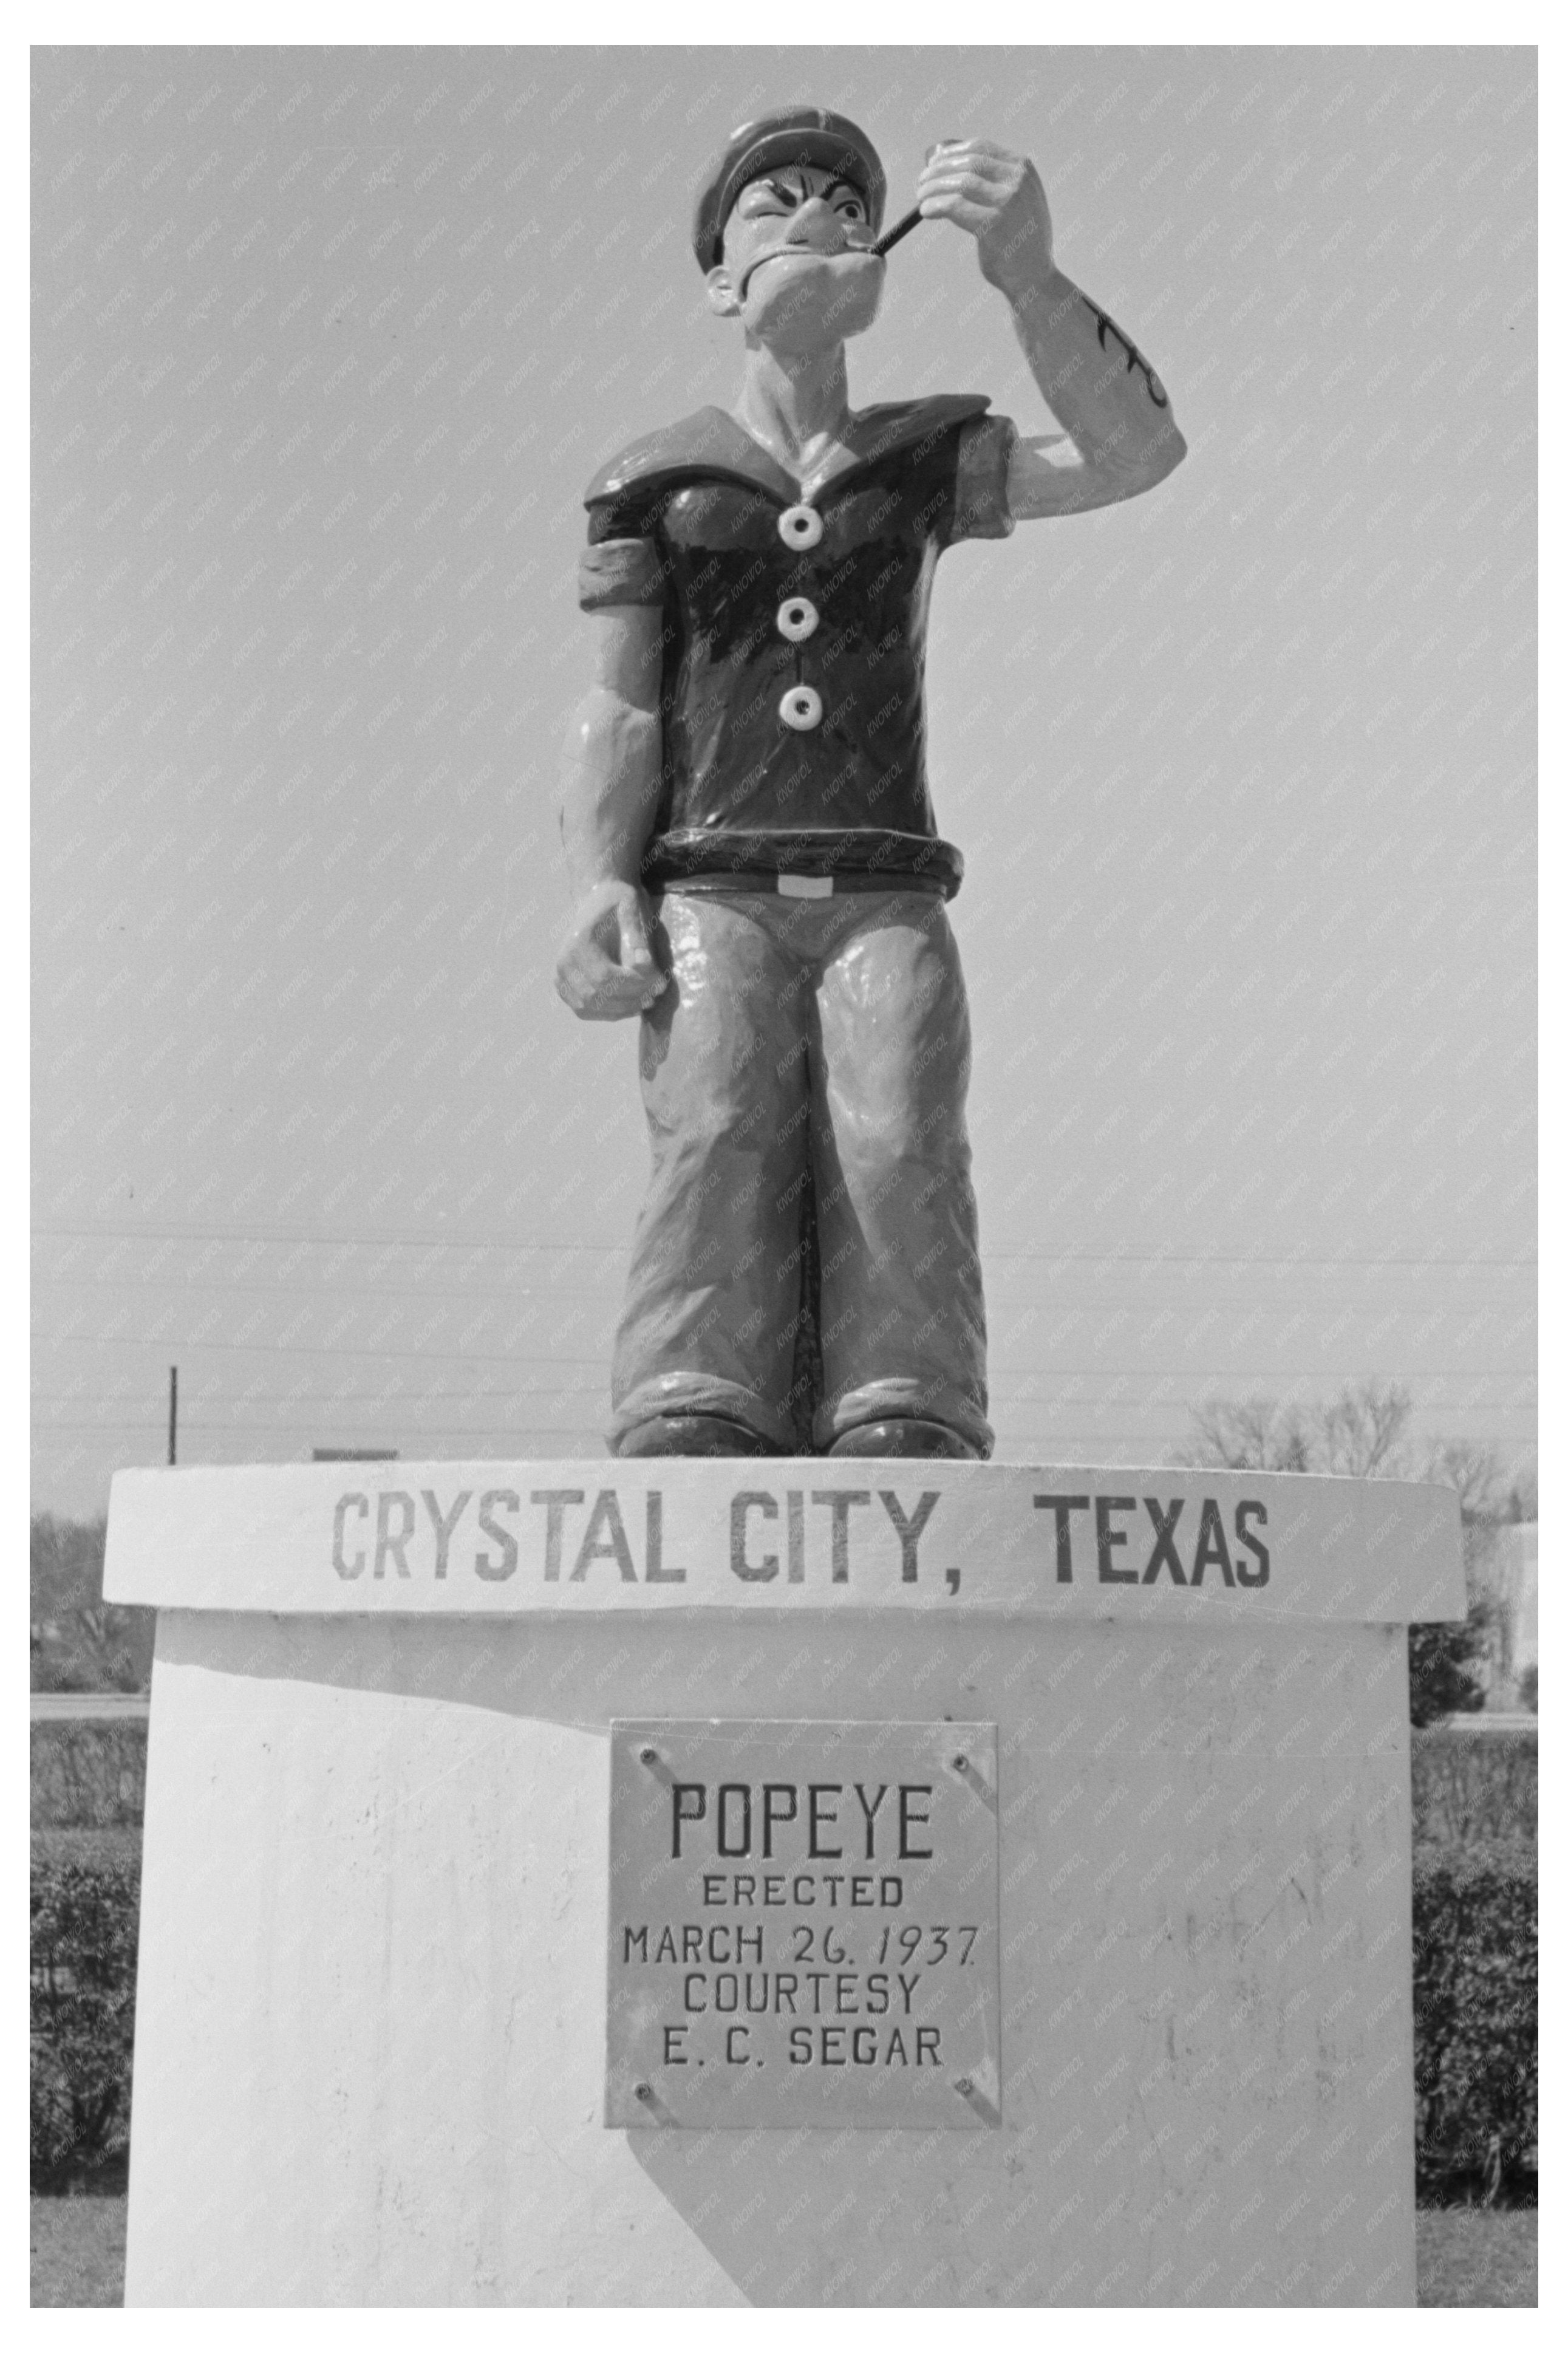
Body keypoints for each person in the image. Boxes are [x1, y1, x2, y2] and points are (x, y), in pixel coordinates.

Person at [557, 106, 1185, 1460]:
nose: (821, 219)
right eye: (776, 201)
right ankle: (690, 1392)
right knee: (714, 1128)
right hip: (709, 888)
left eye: (847, 205)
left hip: (882, 884)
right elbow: (617, 697)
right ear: (719, 279)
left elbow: (1133, 456)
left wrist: (1027, 272)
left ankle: (907, 1396)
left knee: (897, 1133)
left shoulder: (919, 459)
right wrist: (600, 876)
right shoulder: (655, 483)